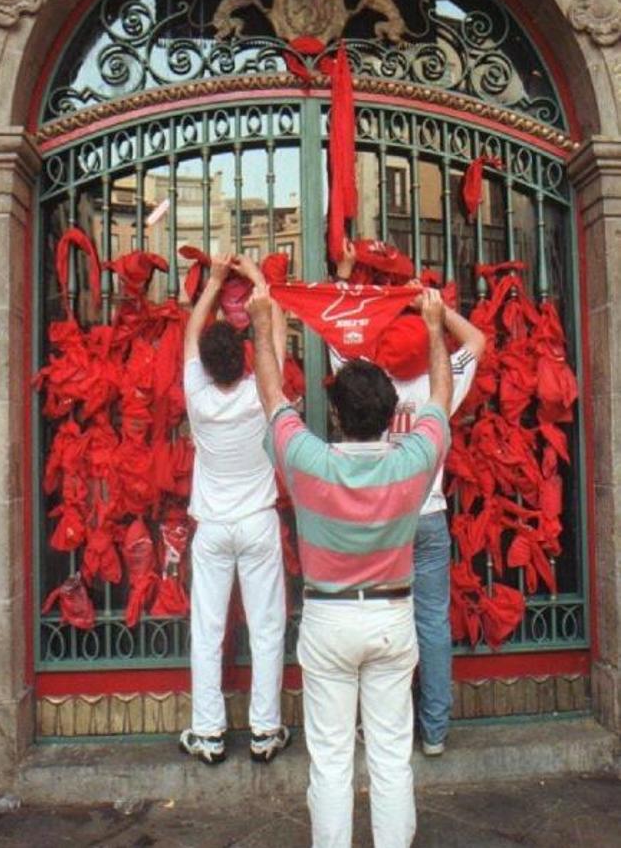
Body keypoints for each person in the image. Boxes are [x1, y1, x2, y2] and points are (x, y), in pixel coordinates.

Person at [247, 282, 453, 848]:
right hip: (392, 619)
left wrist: (263, 323)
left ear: (335, 415)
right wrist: (434, 330)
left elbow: (270, 397)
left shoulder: (309, 461)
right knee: (391, 759)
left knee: (331, 762)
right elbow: (439, 395)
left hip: (329, 621)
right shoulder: (414, 462)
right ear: (393, 416)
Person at [337, 243, 486, 757]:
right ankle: (436, 730)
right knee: (432, 622)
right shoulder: (436, 384)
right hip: (428, 518)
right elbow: (478, 341)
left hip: (379, 519)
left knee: (377, 622)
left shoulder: (365, 381)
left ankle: (382, 726)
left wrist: (350, 276)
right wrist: (435, 312)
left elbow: (339, 331)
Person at [179, 252, 290, 765]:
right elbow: (276, 335)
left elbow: (191, 332)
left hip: (214, 527)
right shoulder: (260, 395)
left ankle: (208, 733)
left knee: (207, 628)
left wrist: (216, 281)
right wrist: (258, 280)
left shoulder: (197, 396)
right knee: (267, 626)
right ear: (245, 360)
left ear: (204, 364)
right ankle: (265, 731)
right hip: (258, 522)